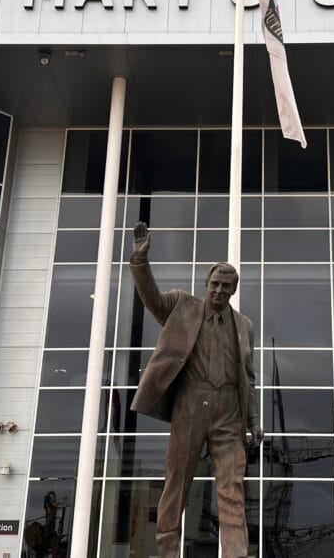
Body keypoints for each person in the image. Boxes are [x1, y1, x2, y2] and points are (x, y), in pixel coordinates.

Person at [127, 222, 262, 558]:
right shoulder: (182, 305)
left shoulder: (244, 325)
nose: (218, 290)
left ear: (233, 290)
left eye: (226, 287)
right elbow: (152, 299)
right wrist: (140, 262)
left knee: (232, 490)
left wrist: (253, 420)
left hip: (230, 411)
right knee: (177, 485)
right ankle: (167, 552)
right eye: (214, 284)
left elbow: (249, 377)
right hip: (191, 405)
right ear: (206, 284)